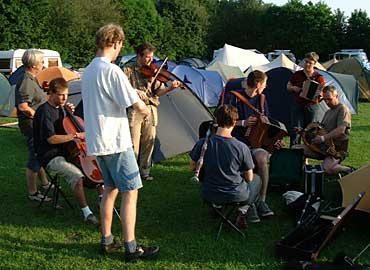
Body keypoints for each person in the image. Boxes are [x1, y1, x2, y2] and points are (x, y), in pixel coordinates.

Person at [82, 24, 159, 262]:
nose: (119, 49)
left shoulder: (88, 70)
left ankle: (106, 240)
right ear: (115, 43)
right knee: (130, 192)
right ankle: (131, 247)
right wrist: (146, 107)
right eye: (120, 45)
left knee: (110, 189)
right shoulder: (112, 70)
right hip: (115, 141)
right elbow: (136, 104)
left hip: (97, 141)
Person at [33, 78, 100, 227]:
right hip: (50, 156)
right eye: (61, 95)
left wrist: (69, 112)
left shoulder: (61, 108)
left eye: (66, 95)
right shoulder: (44, 112)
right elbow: (51, 139)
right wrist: (76, 136)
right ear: (51, 94)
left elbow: (65, 126)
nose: (64, 98)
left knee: (97, 165)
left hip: (67, 152)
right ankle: (87, 213)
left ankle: (104, 199)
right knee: (77, 176)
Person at [189, 105, 262, 228]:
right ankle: (243, 210)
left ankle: (217, 207)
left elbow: (192, 167)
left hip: (209, 193)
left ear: (216, 121)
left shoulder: (202, 143)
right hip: (235, 194)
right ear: (234, 122)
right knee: (256, 179)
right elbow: (249, 178)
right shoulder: (242, 147)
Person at [123, 43, 181, 181]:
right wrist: (135, 92)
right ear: (139, 56)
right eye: (147, 57)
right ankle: (131, 172)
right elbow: (121, 88)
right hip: (134, 109)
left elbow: (158, 91)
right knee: (133, 142)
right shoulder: (127, 69)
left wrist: (170, 89)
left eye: (152, 57)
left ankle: (145, 171)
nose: (150, 61)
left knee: (149, 141)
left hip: (150, 109)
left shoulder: (153, 71)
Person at [223, 70, 276, 220]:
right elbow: (222, 120)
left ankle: (262, 200)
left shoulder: (262, 100)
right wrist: (242, 123)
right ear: (258, 84)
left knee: (261, 158)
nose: (266, 86)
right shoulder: (234, 97)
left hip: (256, 143)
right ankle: (249, 203)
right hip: (236, 142)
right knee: (243, 163)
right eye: (265, 84)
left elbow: (267, 123)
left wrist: (274, 138)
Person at [15, 49, 51, 202]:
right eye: (42, 61)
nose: (43, 64)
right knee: (35, 157)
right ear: (34, 64)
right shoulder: (26, 81)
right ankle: (33, 193)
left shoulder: (32, 78)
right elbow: (23, 106)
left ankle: (44, 183)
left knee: (39, 153)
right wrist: (39, 118)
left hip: (35, 124)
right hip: (32, 125)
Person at [292, 85, 353, 175]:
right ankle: (305, 171)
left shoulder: (343, 109)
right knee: (295, 149)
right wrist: (303, 131)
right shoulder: (328, 111)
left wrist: (322, 138)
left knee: (327, 169)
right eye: (325, 99)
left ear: (337, 96)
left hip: (336, 151)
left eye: (329, 99)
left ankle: (348, 170)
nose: (327, 102)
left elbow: (341, 130)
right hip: (321, 148)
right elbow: (320, 130)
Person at [287, 52, 326, 146]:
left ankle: (307, 155)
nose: (307, 64)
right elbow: (288, 86)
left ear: (315, 64)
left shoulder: (319, 77)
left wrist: (320, 95)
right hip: (298, 105)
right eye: (306, 61)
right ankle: (294, 153)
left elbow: (322, 92)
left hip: (312, 106)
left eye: (310, 63)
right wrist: (293, 88)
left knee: (310, 131)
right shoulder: (297, 74)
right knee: (296, 129)